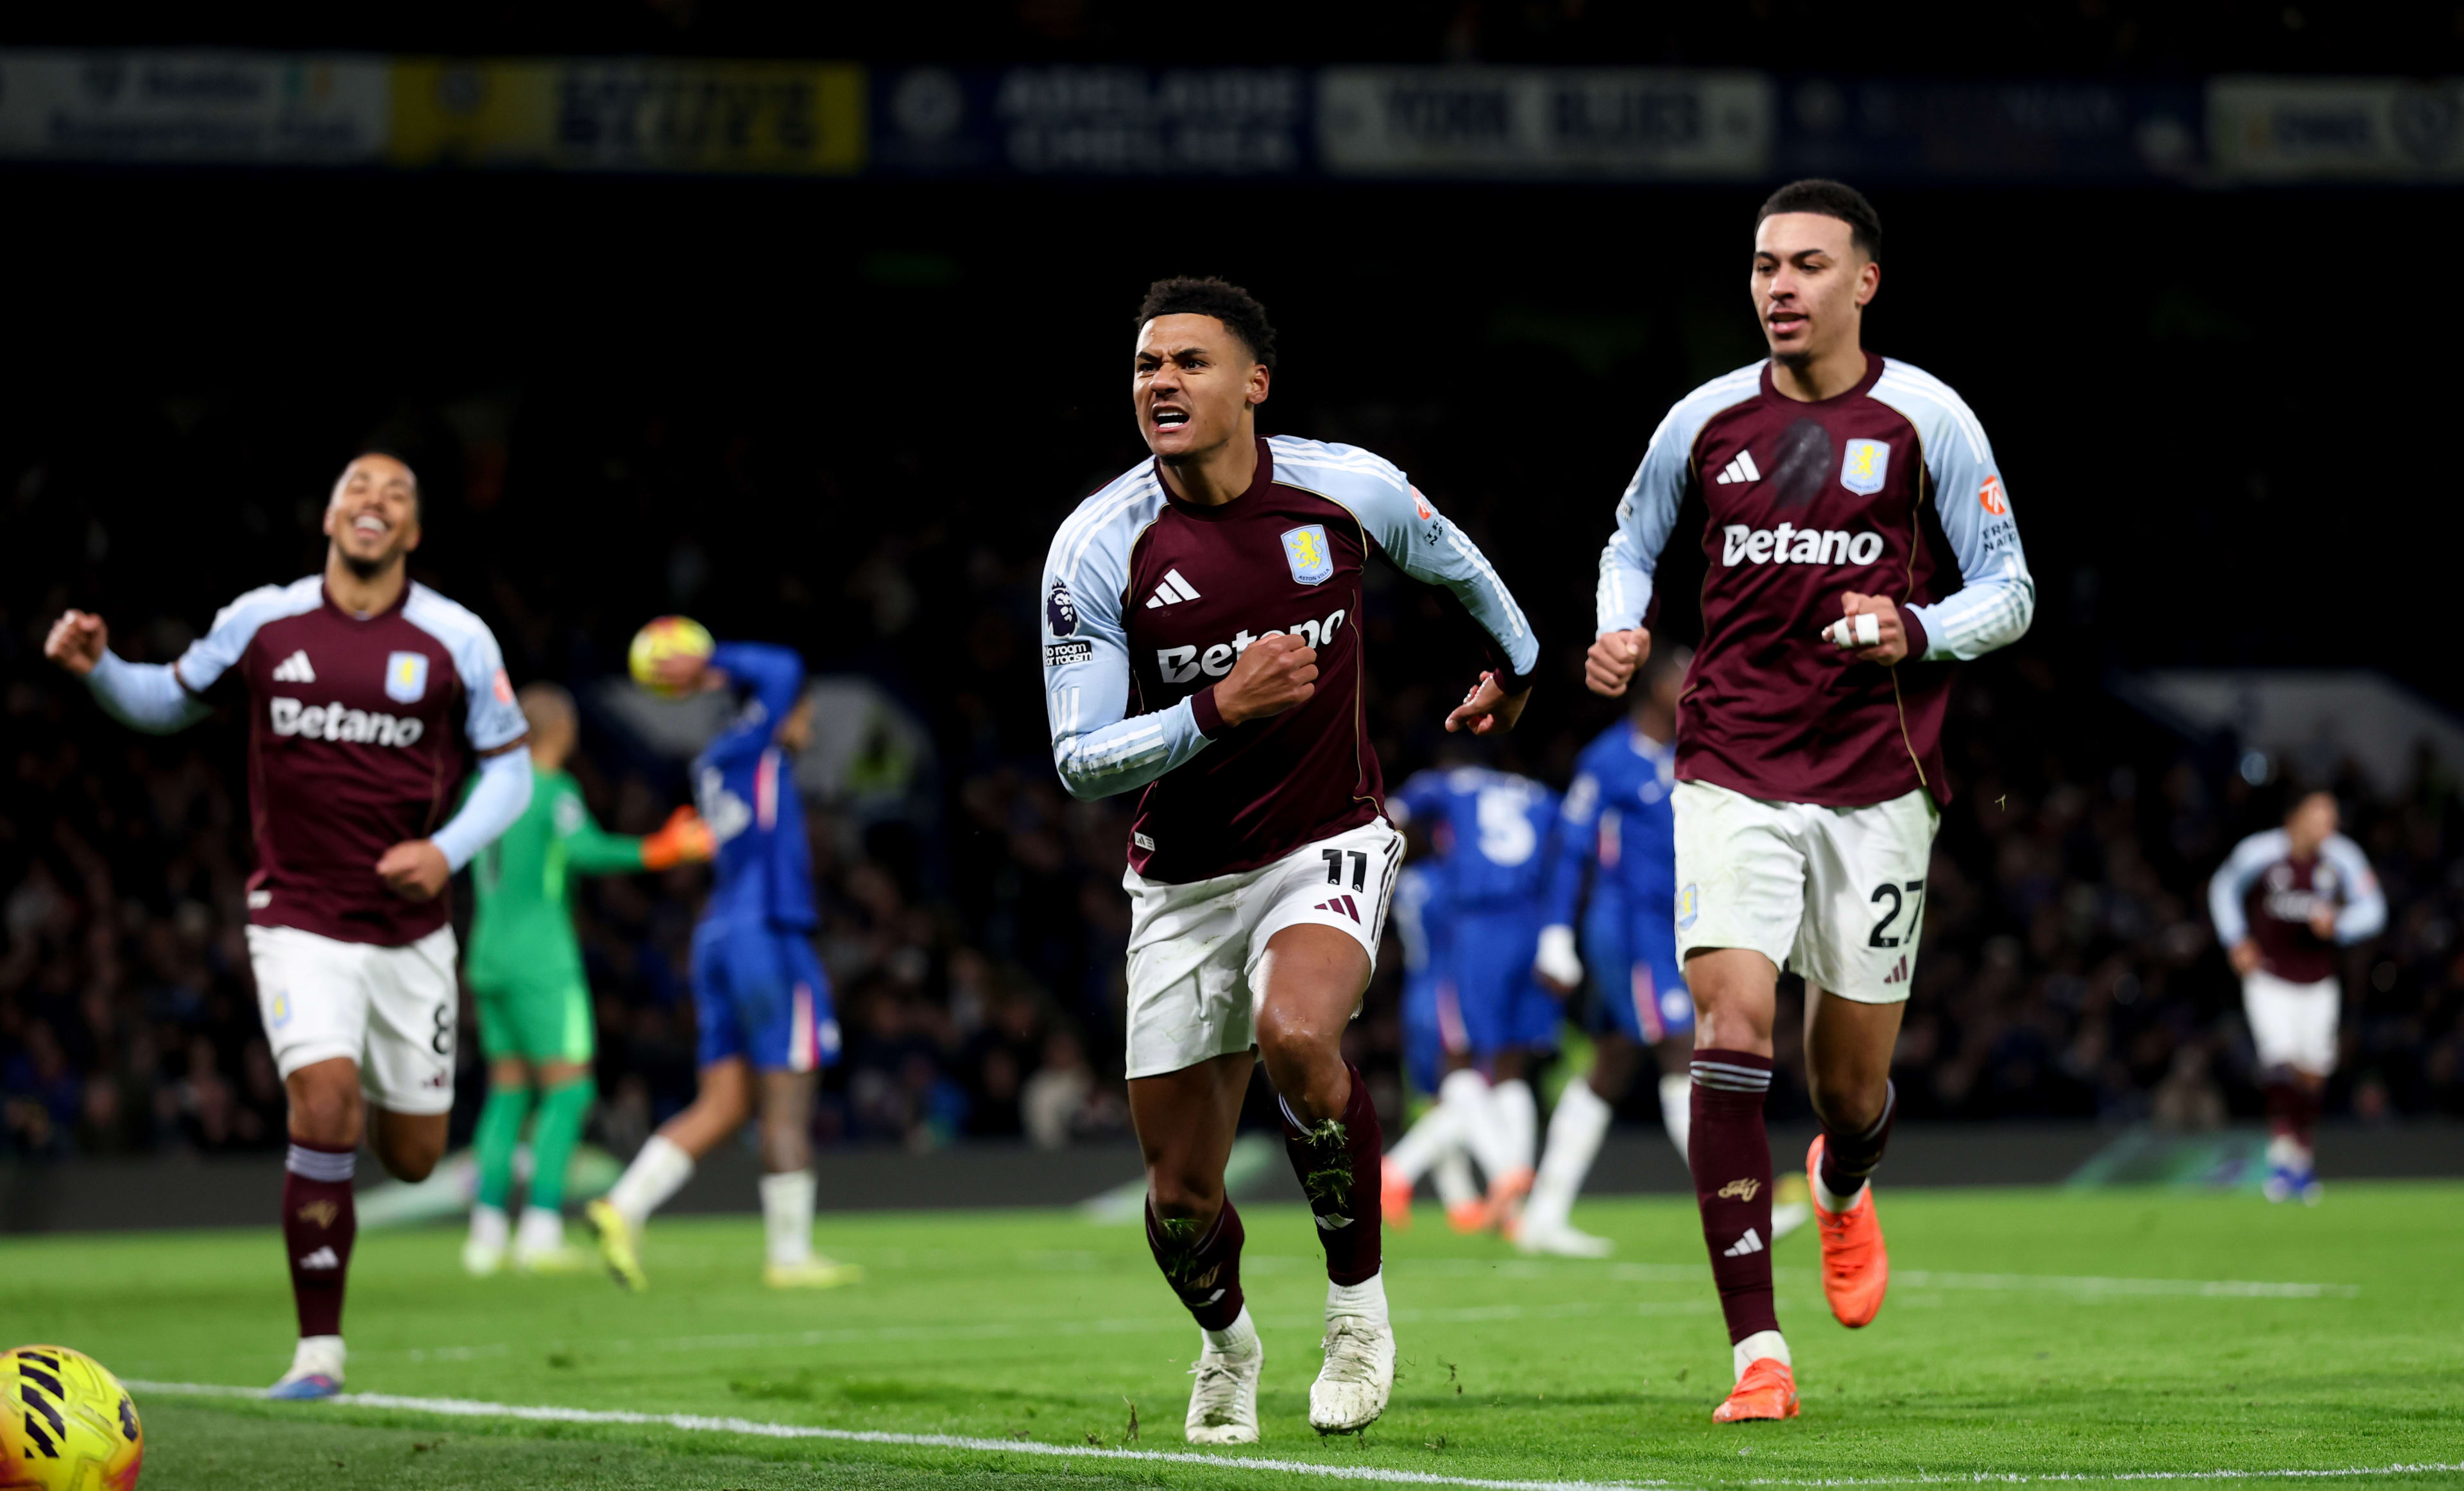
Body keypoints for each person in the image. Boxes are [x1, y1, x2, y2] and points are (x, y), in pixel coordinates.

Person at [1041, 277, 1537, 1442]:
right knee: (1180, 1200)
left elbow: (1457, 560)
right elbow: (1079, 758)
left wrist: (1515, 661)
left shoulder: (1344, 486)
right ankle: (1228, 1346)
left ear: (1253, 382)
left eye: (1189, 362)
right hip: (1181, 880)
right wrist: (1217, 705)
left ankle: (1358, 1315)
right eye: (1145, 365)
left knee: (1298, 1035)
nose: (1160, 382)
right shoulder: (1099, 546)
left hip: (1327, 839)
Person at [1584, 180, 2035, 1422]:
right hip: (1730, 761)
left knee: (1849, 1089)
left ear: (1863, 282)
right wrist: (1623, 625)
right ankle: (1758, 1356)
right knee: (1730, 1031)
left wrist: (1918, 623)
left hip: (1880, 782)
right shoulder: (1705, 418)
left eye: (1807, 266)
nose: (1780, 286)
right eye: (1765, 266)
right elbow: (1631, 540)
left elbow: (2012, 589)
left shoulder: (1927, 417)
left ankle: (1842, 1182)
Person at [45, 453, 533, 1399]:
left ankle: (397, 1152)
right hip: (297, 916)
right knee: (322, 1102)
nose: (375, 503)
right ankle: (320, 1353)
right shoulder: (262, 620)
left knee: (414, 1153)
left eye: (397, 495)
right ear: (329, 514)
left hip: (411, 933)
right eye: (359, 488)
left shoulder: (455, 637)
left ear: (414, 533)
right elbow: (163, 701)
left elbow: (509, 772)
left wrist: (446, 852)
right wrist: (100, 668)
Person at [587, 640, 859, 1291]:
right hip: (768, 929)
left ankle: (623, 1206)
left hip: (718, 931)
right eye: (805, 712)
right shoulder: (758, 745)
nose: (810, 724)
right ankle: (790, 1256)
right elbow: (786, 666)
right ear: (776, 712)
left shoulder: (717, 759)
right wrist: (711, 661)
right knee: (787, 1097)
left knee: (724, 1101)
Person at [1522, 645, 1811, 1257]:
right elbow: (1573, 850)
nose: (1696, 691)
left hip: (1672, 925)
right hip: (1627, 933)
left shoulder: (1693, 759)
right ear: (1656, 689)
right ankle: (1740, 1208)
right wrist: (1554, 934)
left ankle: (1542, 1216)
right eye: (1686, 680)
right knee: (1685, 1047)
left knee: (1612, 1063)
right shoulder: (1608, 761)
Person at [461, 683, 714, 1276]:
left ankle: (486, 1235)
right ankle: (541, 1229)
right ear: (562, 731)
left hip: (486, 956)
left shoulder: (482, 789)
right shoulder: (553, 791)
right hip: (542, 961)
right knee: (569, 1091)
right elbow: (587, 852)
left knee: (508, 1092)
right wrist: (663, 850)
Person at [1380, 764, 1564, 1236]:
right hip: (1465, 973)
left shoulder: (1418, 883)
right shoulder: (1450, 884)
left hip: (1431, 987)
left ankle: (1461, 1193)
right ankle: (1494, 1181)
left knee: (1452, 1090)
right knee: (1487, 1075)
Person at [2207, 790, 2384, 1203]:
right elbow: (2223, 886)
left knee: (2313, 1074)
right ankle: (2283, 1159)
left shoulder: (2342, 856)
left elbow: (2374, 909)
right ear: (2297, 817)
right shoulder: (2260, 852)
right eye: (2321, 817)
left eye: (2333, 818)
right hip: (2269, 977)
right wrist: (2236, 940)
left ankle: (2301, 1157)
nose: (2329, 827)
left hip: (2318, 982)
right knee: (2280, 1062)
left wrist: (2340, 923)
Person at [1383, 861, 1487, 1229]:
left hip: (1417, 993)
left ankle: (1461, 1203)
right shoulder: (1453, 878)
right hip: (1449, 992)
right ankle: (1395, 1170)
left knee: (1438, 1101)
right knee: (1468, 1090)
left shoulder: (1408, 881)